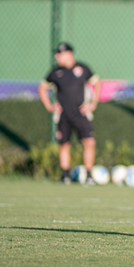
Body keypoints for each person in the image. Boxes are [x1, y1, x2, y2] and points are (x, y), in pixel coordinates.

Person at [38, 43, 102, 185]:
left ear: (69, 54)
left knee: (89, 142)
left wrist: (93, 103)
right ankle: (65, 175)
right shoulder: (55, 72)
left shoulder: (83, 68)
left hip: (81, 113)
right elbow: (42, 88)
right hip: (63, 114)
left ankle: (89, 175)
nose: (57, 57)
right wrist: (49, 105)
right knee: (64, 144)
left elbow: (97, 83)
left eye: (60, 54)